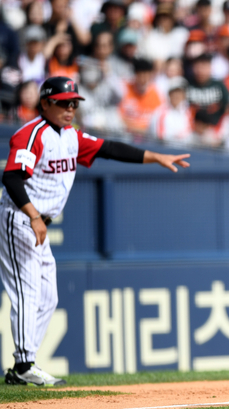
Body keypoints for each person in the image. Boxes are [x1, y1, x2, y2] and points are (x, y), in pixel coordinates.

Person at [1, 77, 190, 386]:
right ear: (45, 103)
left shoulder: (71, 136)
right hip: (21, 218)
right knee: (28, 292)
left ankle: (23, 367)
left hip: (37, 222)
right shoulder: (31, 134)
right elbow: (11, 177)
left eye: (74, 103)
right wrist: (33, 215)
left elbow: (109, 148)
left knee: (48, 298)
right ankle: (24, 365)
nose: (70, 109)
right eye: (63, 103)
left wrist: (155, 156)